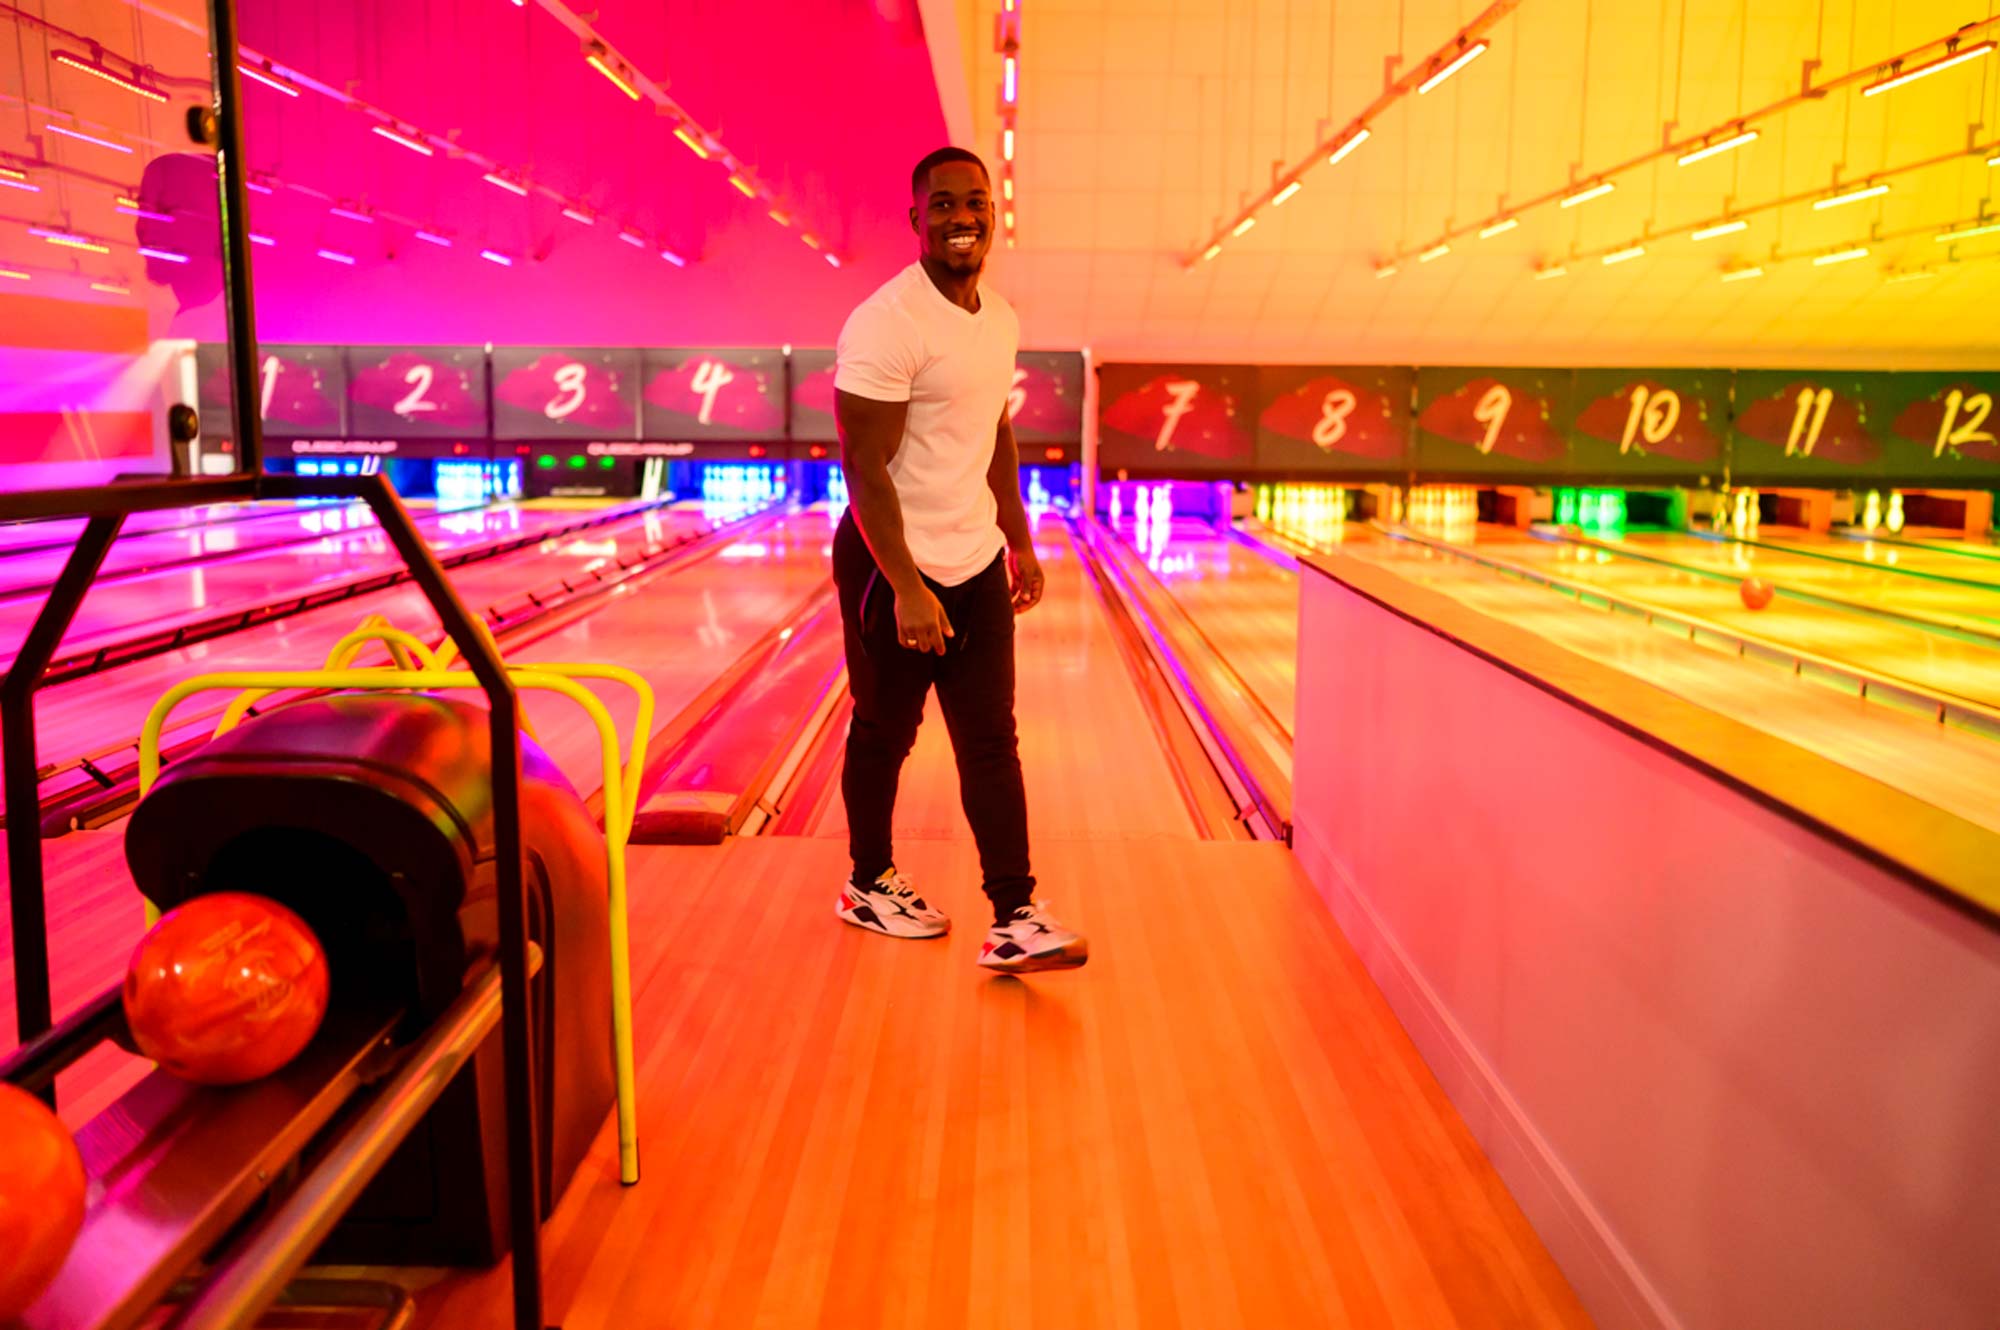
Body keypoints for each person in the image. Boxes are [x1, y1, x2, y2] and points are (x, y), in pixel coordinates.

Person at [830, 146, 1087, 974]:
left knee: (991, 741)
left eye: (974, 202)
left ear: (994, 213)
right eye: (942, 204)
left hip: (974, 558)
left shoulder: (1001, 318)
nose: (961, 217)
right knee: (884, 729)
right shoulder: (884, 324)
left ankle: (1014, 913)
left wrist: (1019, 537)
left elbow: (994, 431)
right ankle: (869, 882)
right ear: (916, 219)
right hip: (889, 563)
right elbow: (864, 468)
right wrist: (905, 586)